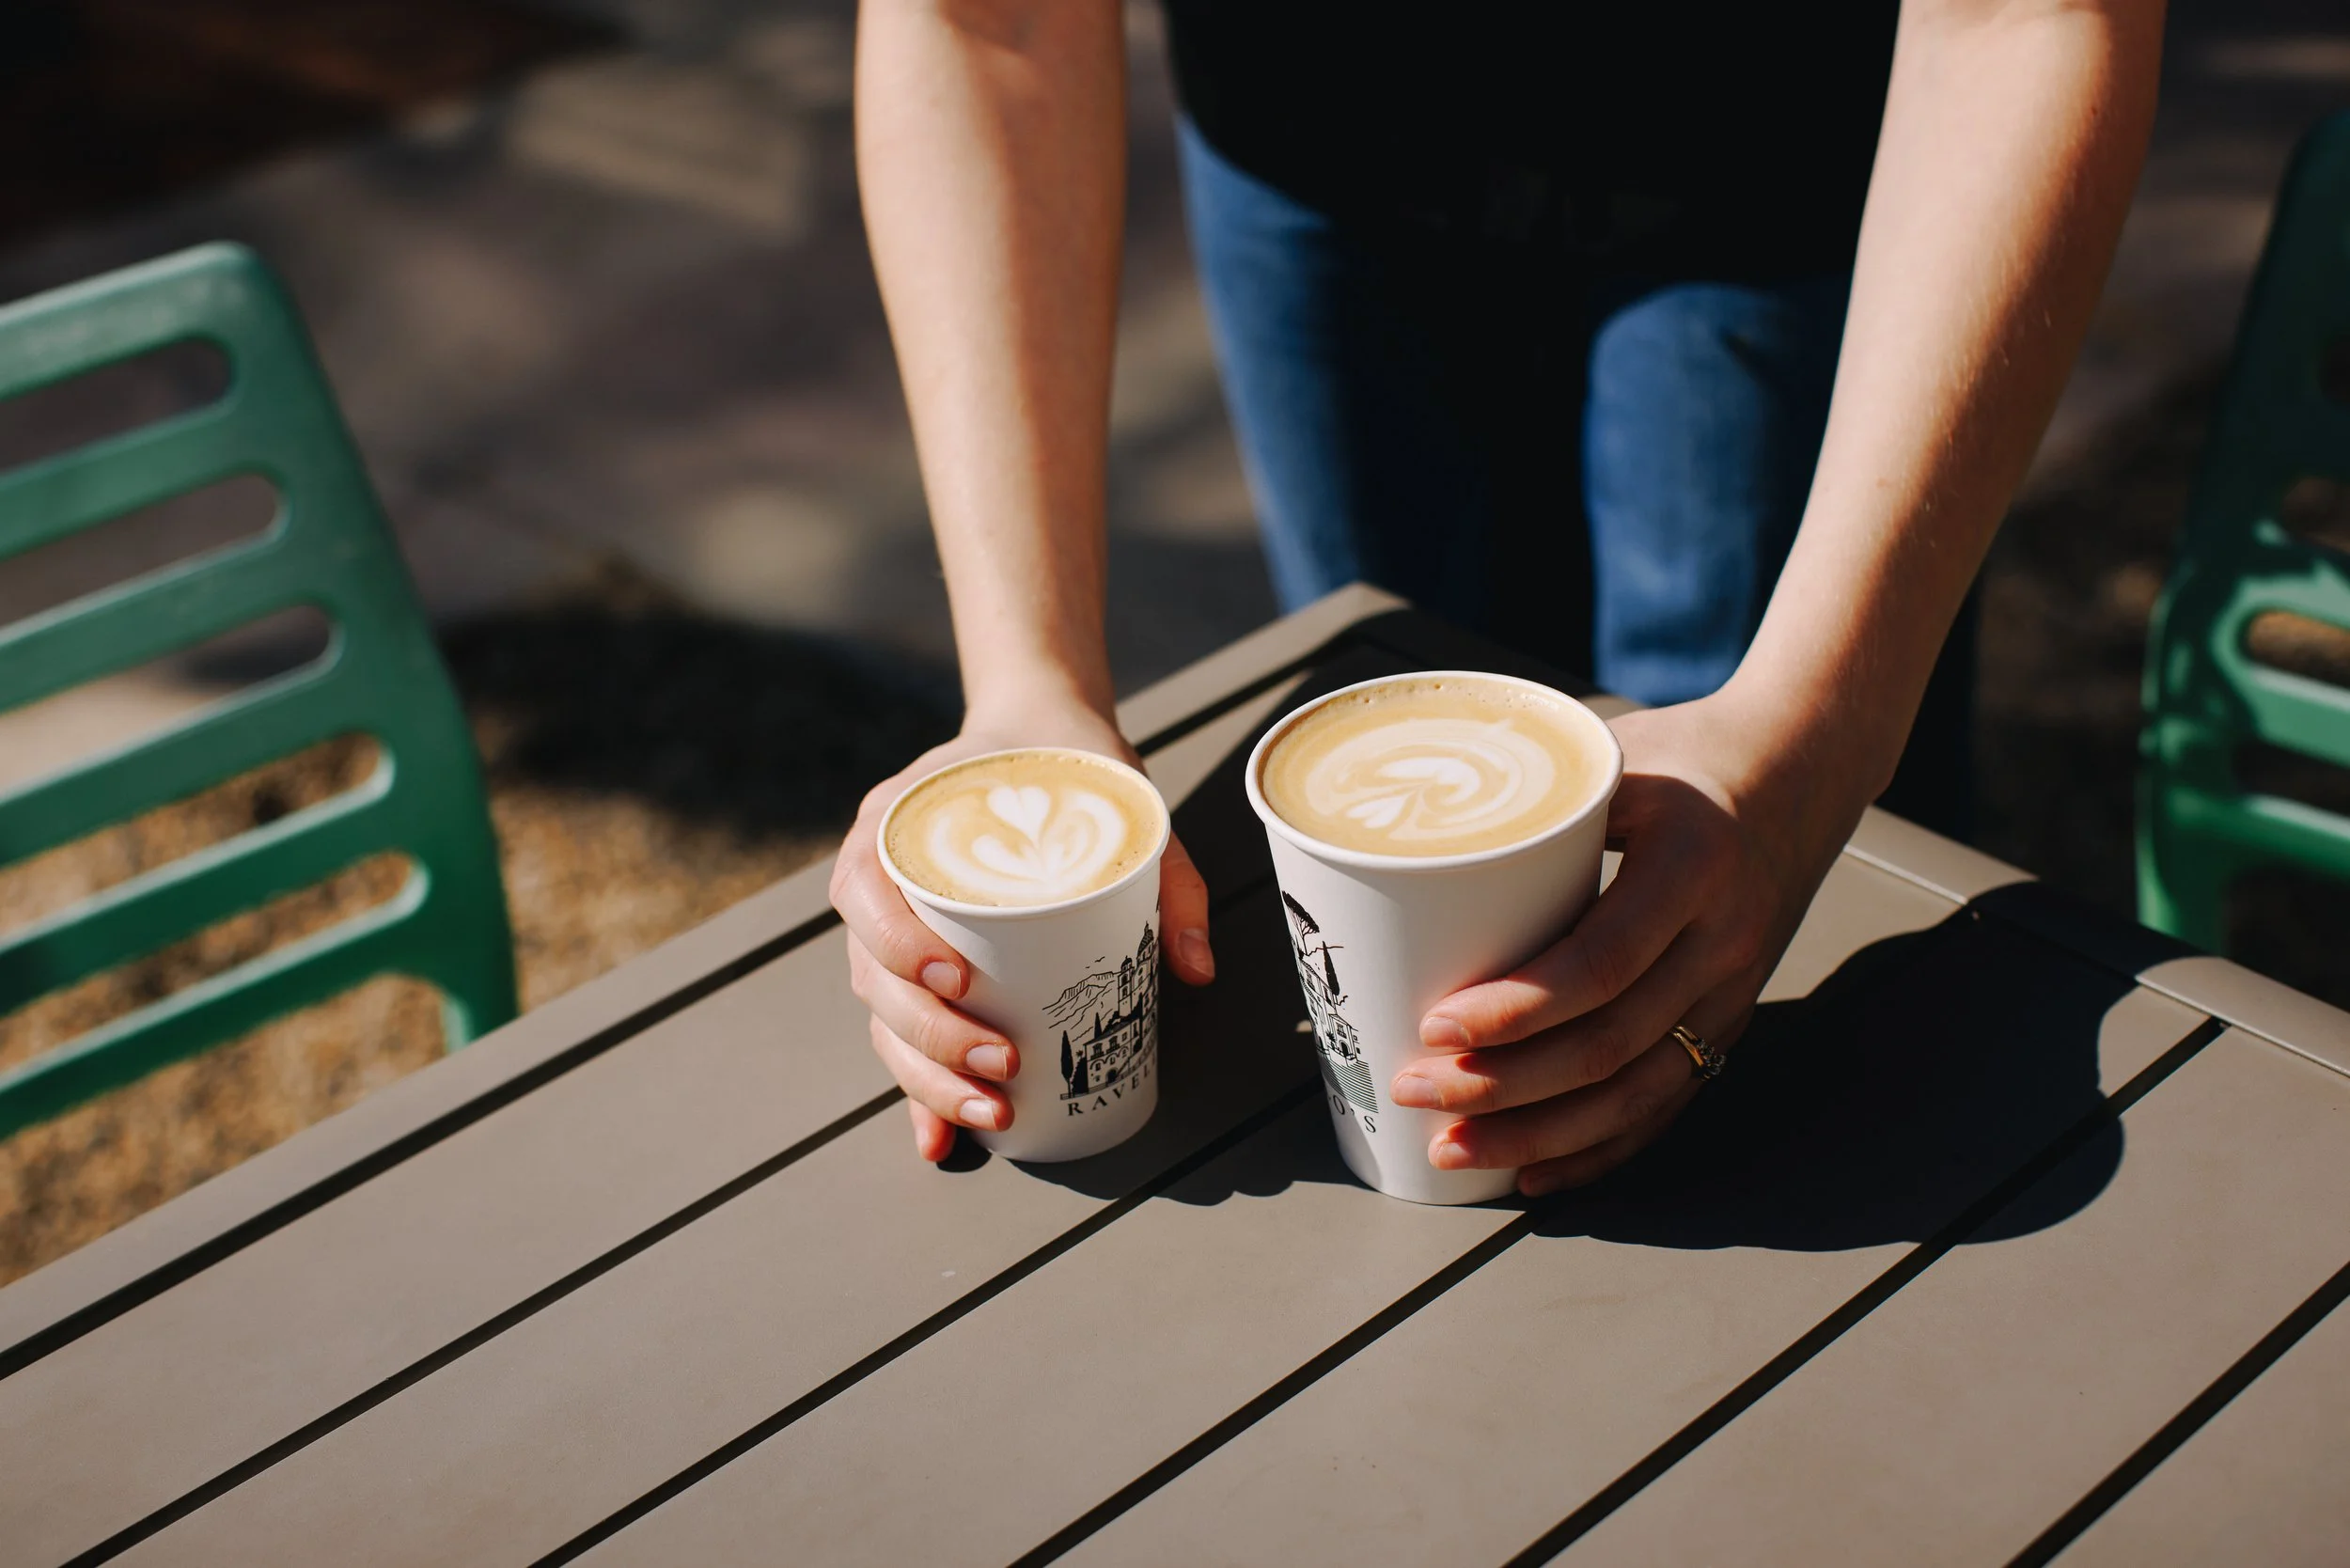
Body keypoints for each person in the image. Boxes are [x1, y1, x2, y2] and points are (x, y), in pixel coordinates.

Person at [829, 0, 2163, 1193]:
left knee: (1742, 962)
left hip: (1787, 152)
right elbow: (988, 22)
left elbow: (2022, 17)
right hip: (1300, 138)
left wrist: (1818, 739)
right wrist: (1023, 686)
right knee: (1426, 889)